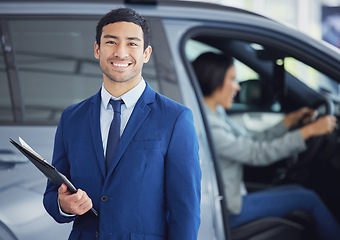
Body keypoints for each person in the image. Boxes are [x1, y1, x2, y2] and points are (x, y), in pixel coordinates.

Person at [43, 8, 201, 240]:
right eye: (111, 42)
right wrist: (63, 204)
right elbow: (51, 196)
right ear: (97, 49)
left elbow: (185, 211)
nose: (120, 52)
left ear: (146, 54)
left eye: (132, 44)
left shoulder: (175, 118)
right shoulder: (72, 118)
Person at [193, 51, 340, 240]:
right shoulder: (207, 124)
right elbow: (256, 153)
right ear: (214, 79)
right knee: (308, 199)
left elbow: (251, 139)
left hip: (231, 198)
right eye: (232, 79)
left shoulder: (214, 113)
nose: (238, 87)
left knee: (299, 190)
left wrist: (288, 121)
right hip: (227, 212)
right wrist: (309, 132)